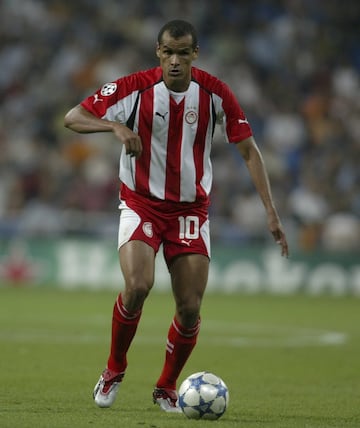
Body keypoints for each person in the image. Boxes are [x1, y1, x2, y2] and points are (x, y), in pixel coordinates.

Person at [64, 19, 289, 412]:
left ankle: (166, 386)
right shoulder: (134, 88)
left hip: (190, 210)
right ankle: (115, 368)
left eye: (183, 53)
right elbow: (73, 117)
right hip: (141, 202)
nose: (174, 61)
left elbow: (249, 151)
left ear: (194, 55)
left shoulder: (216, 93)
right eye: (168, 52)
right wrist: (114, 126)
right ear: (158, 52)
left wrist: (271, 211)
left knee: (189, 307)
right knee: (137, 286)